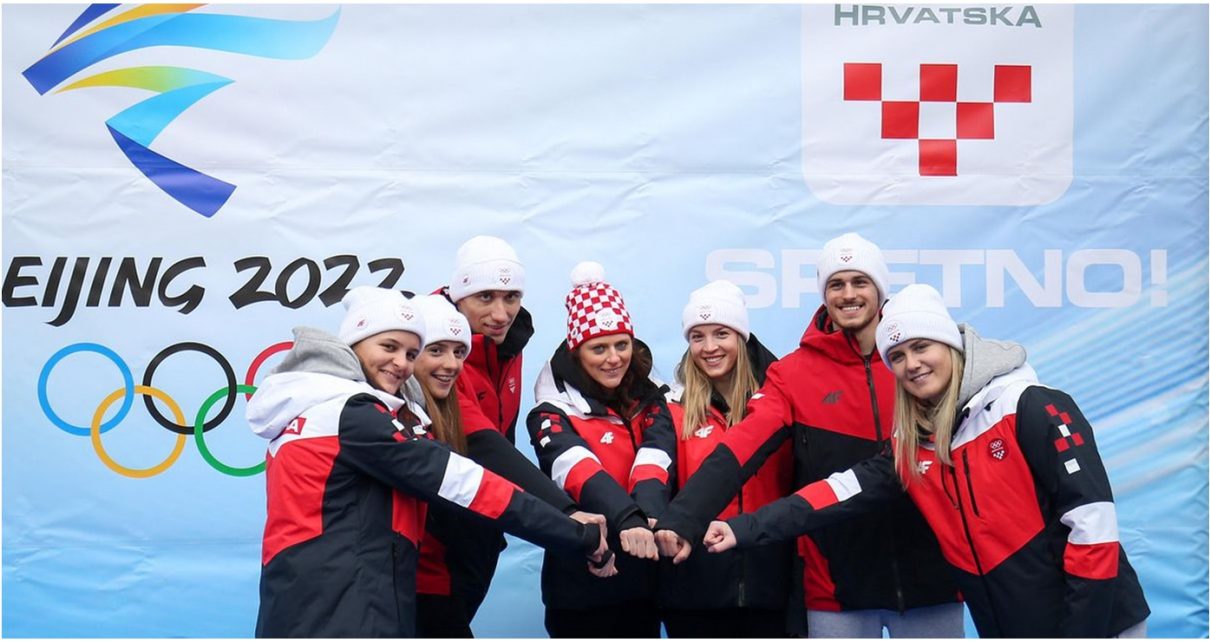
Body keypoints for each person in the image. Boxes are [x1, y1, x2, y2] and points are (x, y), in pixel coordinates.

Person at [701, 284, 1151, 638]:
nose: (911, 364)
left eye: (922, 347)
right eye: (896, 356)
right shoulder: (914, 446)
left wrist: (1082, 634)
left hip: (1096, 624)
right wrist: (742, 528)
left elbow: (1092, 527)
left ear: (950, 344)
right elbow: (837, 492)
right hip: (1011, 626)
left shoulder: (1029, 406)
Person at [248, 286, 608, 638]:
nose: (401, 363)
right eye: (389, 347)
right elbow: (466, 484)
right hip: (342, 613)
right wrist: (577, 534)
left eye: (410, 353)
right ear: (354, 344)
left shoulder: (326, 407)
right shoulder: (352, 414)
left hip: (320, 606)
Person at [656, 233, 962, 637]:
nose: (848, 294)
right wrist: (684, 518)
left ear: (879, 288)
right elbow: (740, 448)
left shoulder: (919, 364)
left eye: (860, 282)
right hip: (836, 589)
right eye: (836, 284)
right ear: (823, 293)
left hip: (933, 579)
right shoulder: (792, 374)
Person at [406, 294, 610, 637]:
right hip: (415, 578)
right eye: (436, 350)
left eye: (459, 353)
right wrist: (571, 524)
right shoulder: (390, 422)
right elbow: (483, 478)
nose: (452, 364)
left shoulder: (497, 360)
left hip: (455, 563)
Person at [526, 261, 673, 638]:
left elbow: (656, 456)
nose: (613, 358)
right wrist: (630, 520)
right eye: (599, 348)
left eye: (622, 345)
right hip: (581, 586)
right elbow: (578, 470)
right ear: (576, 352)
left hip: (645, 581)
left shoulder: (652, 400)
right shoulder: (550, 411)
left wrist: (649, 513)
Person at [659, 280, 793, 638]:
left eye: (721, 333)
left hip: (772, 589)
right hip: (694, 594)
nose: (709, 347)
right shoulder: (671, 409)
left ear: (742, 338)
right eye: (697, 337)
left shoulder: (781, 405)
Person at [429, 235, 536, 622]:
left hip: (482, 526)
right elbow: (482, 443)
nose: (501, 313)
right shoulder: (432, 345)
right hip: (436, 541)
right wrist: (565, 515)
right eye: (485, 297)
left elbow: (504, 436)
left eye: (511, 297)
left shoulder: (508, 343)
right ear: (459, 297)